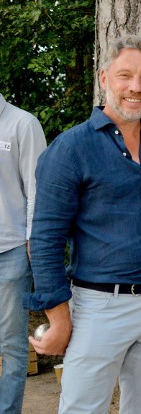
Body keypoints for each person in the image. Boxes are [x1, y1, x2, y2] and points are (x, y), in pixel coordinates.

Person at [25, 35, 141, 413]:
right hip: (99, 307)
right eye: (125, 75)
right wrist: (58, 318)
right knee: (83, 408)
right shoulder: (71, 148)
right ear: (103, 78)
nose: (135, 87)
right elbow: (44, 241)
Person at [0, 94, 46, 414]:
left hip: (11, 252)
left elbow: (37, 188)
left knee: (12, 347)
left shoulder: (23, 124)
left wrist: (33, 241)